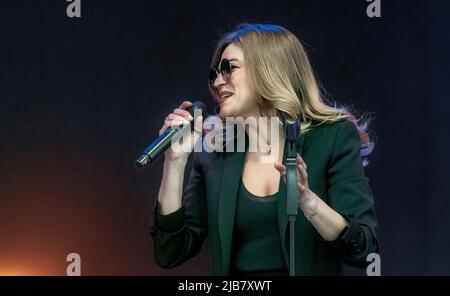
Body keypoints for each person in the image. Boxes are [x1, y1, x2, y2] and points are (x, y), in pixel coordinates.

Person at [150, 23, 378, 276]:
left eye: (229, 68)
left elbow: (363, 249)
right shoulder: (215, 151)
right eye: (214, 73)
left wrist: (310, 204)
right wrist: (175, 162)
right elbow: (170, 250)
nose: (217, 81)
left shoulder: (331, 137)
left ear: (270, 69)